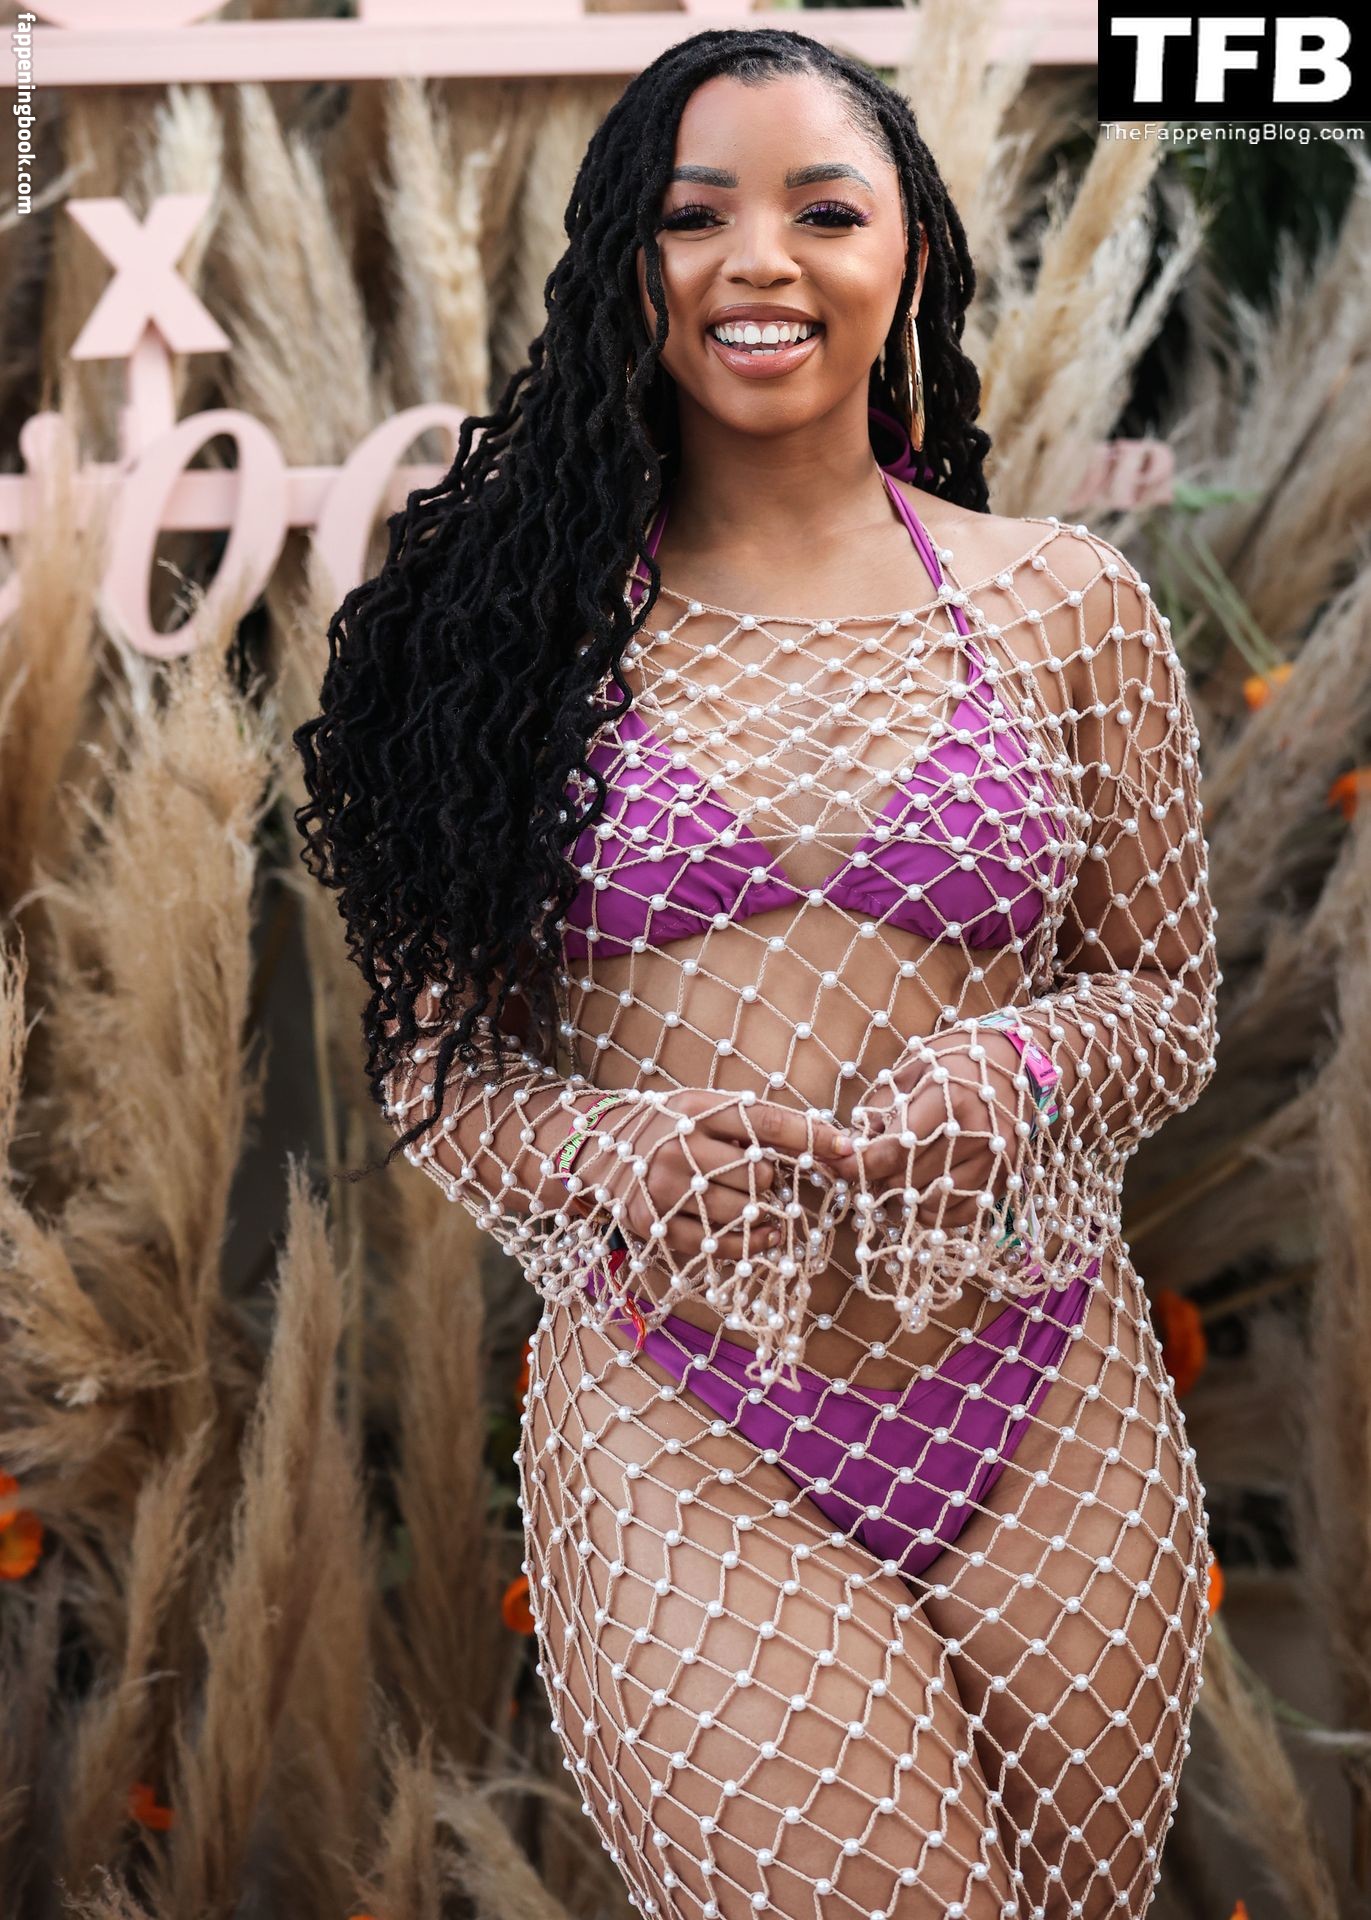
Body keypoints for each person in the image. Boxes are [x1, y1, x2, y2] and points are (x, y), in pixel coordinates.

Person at [294, 26, 1220, 1919]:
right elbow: (443, 1072)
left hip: (1051, 1387)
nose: (759, 262)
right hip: (687, 1411)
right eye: (695, 214)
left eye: (825, 210)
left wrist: (1021, 1073)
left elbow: (1161, 999)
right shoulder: (505, 633)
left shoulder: (1068, 606)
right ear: (626, 261)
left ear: (911, 252)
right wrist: (615, 1153)